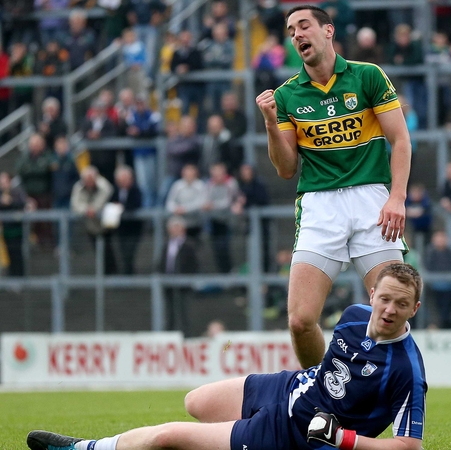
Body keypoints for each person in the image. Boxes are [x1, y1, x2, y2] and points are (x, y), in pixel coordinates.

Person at [27, 263, 427, 450]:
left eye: (401, 303)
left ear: (415, 308)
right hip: (290, 389)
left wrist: (342, 439)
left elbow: (409, 448)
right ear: (372, 295)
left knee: (168, 438)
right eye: (385, 298)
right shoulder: (353, 316)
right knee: (195, 402)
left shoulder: (407, 369)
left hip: (295, 435)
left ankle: (82, 449)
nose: (389, 310)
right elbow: (329, 370)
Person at [255, 5, 412, 369]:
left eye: (304, 26)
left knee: (394, 311)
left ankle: (400, 396)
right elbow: (286, 168)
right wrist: (269, 123)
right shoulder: (287, 95)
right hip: (320, 205)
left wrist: (398, 197)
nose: (297, 35)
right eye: (291, 30)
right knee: (299, 321)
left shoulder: (367, 76)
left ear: (328, 31)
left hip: (372, 198)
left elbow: (400, 140)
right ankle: (321, 397)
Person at [159, 215, 199, 335]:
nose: (174, 229)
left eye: (177, 227)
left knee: (184, 312)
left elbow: (194, 264)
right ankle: (169, 335)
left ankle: (186, 336)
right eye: (172, 227)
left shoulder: (190, 245)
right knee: (169, 313)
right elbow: (161, 262)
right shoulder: (166, 245)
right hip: (169, 285)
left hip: (184, 285)